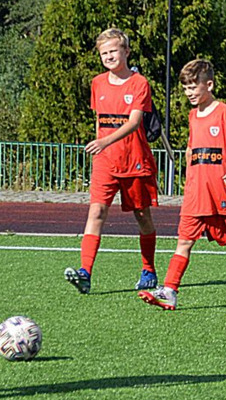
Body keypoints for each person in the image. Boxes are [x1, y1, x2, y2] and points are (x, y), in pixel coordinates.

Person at [138, 59, 226, 310]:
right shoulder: (193, 116)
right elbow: (192, 148)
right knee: (184, 240)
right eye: (186, 88)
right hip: (196, 193)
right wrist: (189, 172)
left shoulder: (224, 111)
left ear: (209, 85)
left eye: (193, 87)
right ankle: (170, 290)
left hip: (221, 190)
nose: (189, 92)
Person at [64, 27, 159, 294]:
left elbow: (134, 122)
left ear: (126, 52)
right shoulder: (97, 83)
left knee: (142, 216)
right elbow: (100, 121)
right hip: (105, 161)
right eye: (104, 53)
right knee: (96, 212)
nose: (108, 56)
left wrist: (105, 141)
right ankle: (85, 272)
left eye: (113, 51)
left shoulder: (139, 83)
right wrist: (101, 147)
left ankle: (149, 269)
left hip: (134, 159)